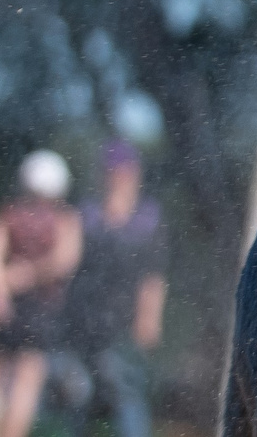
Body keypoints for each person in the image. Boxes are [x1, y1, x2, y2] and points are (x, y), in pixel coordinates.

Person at [0, 150, 81, 437]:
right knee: (26, 384)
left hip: (4, 308)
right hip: (41, 311)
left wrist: (0, 289)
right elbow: (65, 260)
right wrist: (25, 277)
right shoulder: (64, 219)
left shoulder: (10, 214)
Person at [60, 141, 166, 437]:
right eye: (111, 171)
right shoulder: (87, 212)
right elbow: (67, 261)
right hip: (82, 319)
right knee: (79, 396)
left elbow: (153, 274)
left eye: (124, 170)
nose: (118, 177)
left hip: (123, 323)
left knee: (127, 394)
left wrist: (148, 319)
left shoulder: (148, 218)